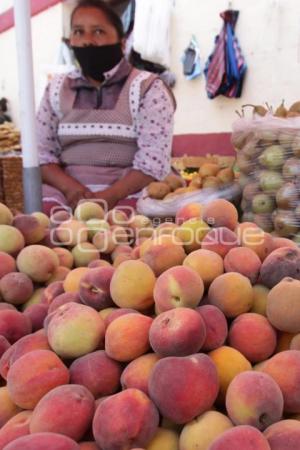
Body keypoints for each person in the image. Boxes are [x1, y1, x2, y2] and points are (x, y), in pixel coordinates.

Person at [37, 0, 176, 214]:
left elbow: (153, 162)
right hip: (68, 193)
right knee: (45, 221)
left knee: (137, 224)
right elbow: (42, 155)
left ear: (121, 43)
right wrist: (72, 189)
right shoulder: (56, 89)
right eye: (78, 32)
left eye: (99, 31)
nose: (87, 42)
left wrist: (108, 197)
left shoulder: (148, 88)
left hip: (130, 189)